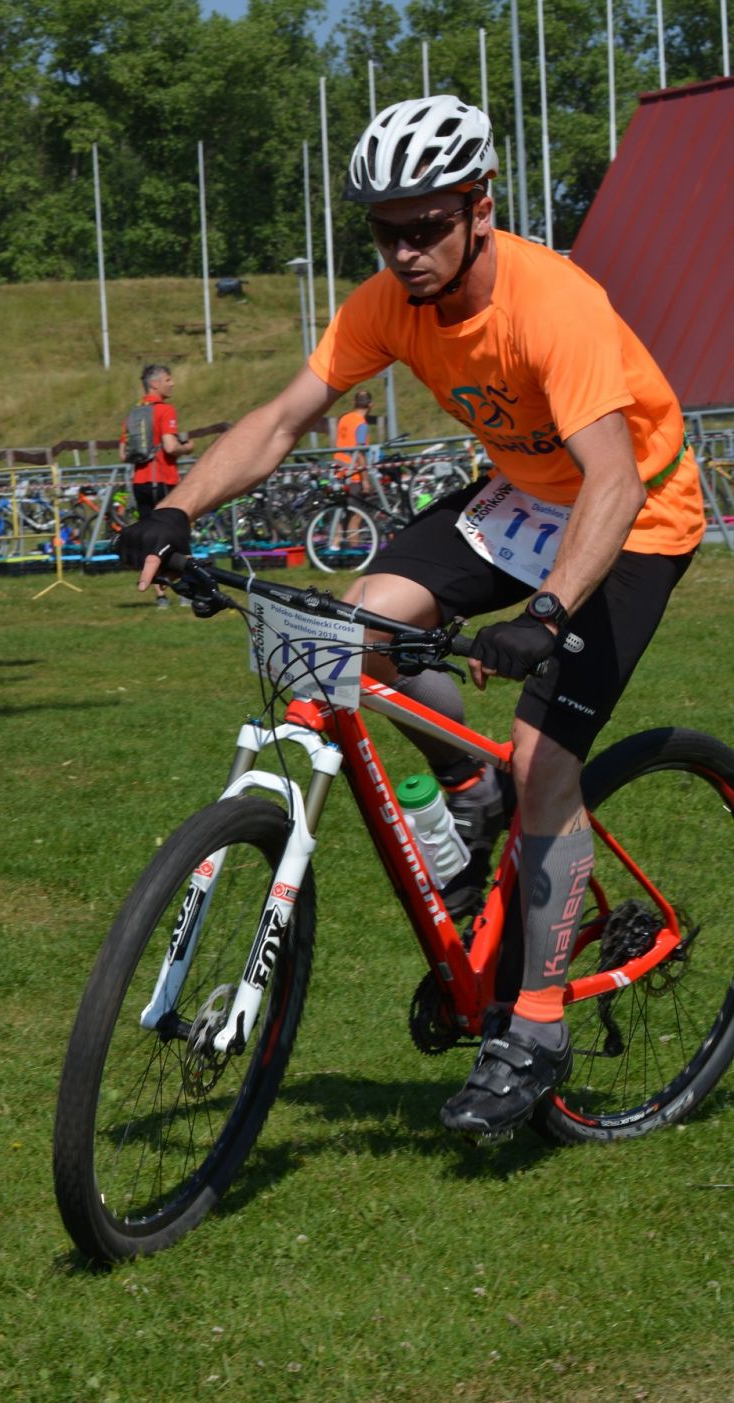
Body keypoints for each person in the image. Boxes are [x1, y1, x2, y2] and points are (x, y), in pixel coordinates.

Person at [119, 95, 705, 1136]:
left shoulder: (552, 304)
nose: (404, 251)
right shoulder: (388, 302)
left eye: (427, 225)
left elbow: (613, 481)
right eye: (385, 231)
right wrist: (177, 508)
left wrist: (548, 612)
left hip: (635, 513)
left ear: (481, 208)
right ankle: (468, 792)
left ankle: (535, 1027)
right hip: (526, 499)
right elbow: (281, 420)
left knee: (545, 758)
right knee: (356, 631)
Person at [120, 364, 194, 607]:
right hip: (163, 480)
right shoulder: (165, 410)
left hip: (140, 482)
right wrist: (187, 448)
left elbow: (123, 454)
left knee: (151, 539)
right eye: (168, 380)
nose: (172, 384)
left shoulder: (133, 414)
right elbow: (170, 446)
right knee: (179, 536)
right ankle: (185, 590)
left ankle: (160, 597)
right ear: (155, 384)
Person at [333, 388, 374, 486]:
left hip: (339, 469)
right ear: (371, 404)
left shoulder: (344, 418)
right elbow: (360, 453)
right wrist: (365, 481)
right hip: (354, 474)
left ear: (354, 402)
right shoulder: (361, 424)